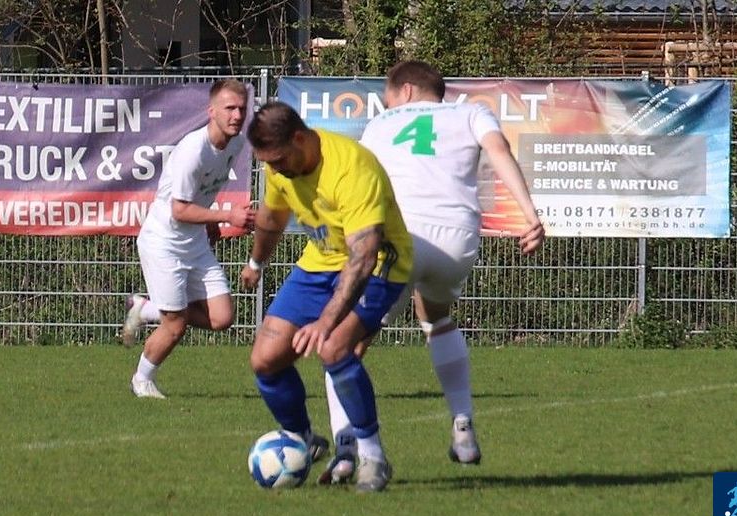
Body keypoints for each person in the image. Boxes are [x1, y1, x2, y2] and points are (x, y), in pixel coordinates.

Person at [320, 60, 546, 483]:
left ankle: (350, 449)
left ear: (405, 91)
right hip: (457, 240)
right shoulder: (471, 112)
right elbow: (499, 151)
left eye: (389, 96)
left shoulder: (381, 124)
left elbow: (359, 182)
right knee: (436, 316)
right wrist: (530, 215)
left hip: (400, 238)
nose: (388, 104)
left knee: (342, 343)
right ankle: (463, 426)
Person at [240, 101, 414, 492]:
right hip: (320, 263)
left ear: (300, 138)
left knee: (334, 347)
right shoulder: (278, 168)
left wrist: (325, 321)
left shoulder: (352, 168)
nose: (275, 170)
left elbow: (364, 256)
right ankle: (302, 440)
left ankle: (372, 457)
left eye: (278, 160)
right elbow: (272, 218)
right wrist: (256, 262)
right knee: (265, 360)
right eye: (268, 163)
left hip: (380, 263)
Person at [121, 79, 256, 399]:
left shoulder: (235, 144)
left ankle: (146, 309)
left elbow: (204, 191)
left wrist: (209, 223)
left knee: (223, 317)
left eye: (241, 109)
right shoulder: (193, 151)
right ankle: (142, 380)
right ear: (211, 111)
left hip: (194, 242)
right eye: (229, 108)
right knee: (176, 325)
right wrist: (226, 216)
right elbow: (179, 210)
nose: (237, 115)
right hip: (164, 243)